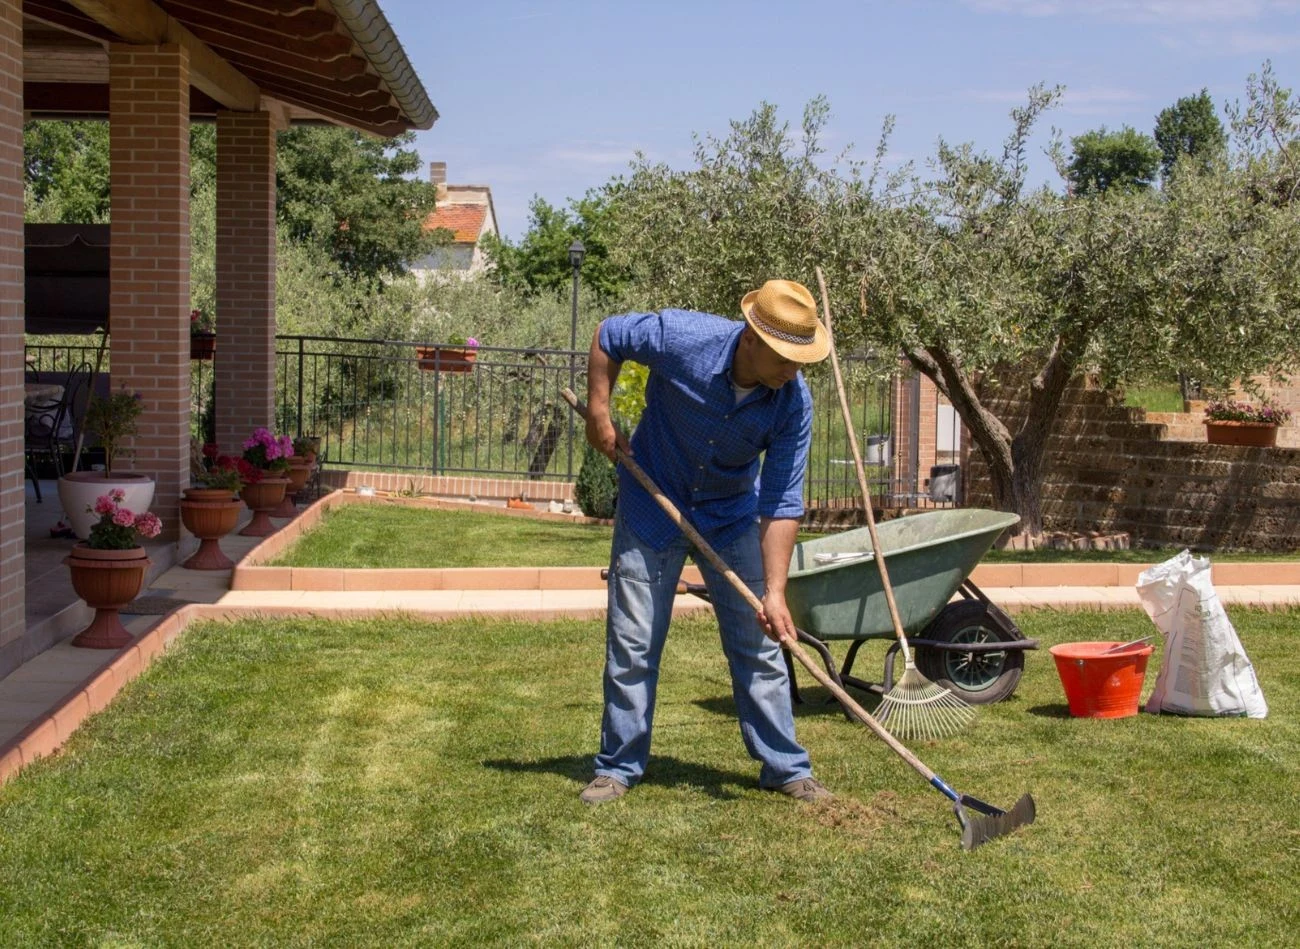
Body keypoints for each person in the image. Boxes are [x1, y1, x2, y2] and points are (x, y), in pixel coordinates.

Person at [580, 278, 833, 806]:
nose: (796, 368)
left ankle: (785, 767)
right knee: (633, 641)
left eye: (802, 357)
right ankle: (617, 766)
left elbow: (782, 500)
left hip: (730, 513)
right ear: (752, 340)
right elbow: (609, 335)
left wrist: (776, 592)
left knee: (759, 644)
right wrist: (600, 412)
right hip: (653, 500)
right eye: (787, 356)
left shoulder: (792, 404)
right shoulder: (683, 336)